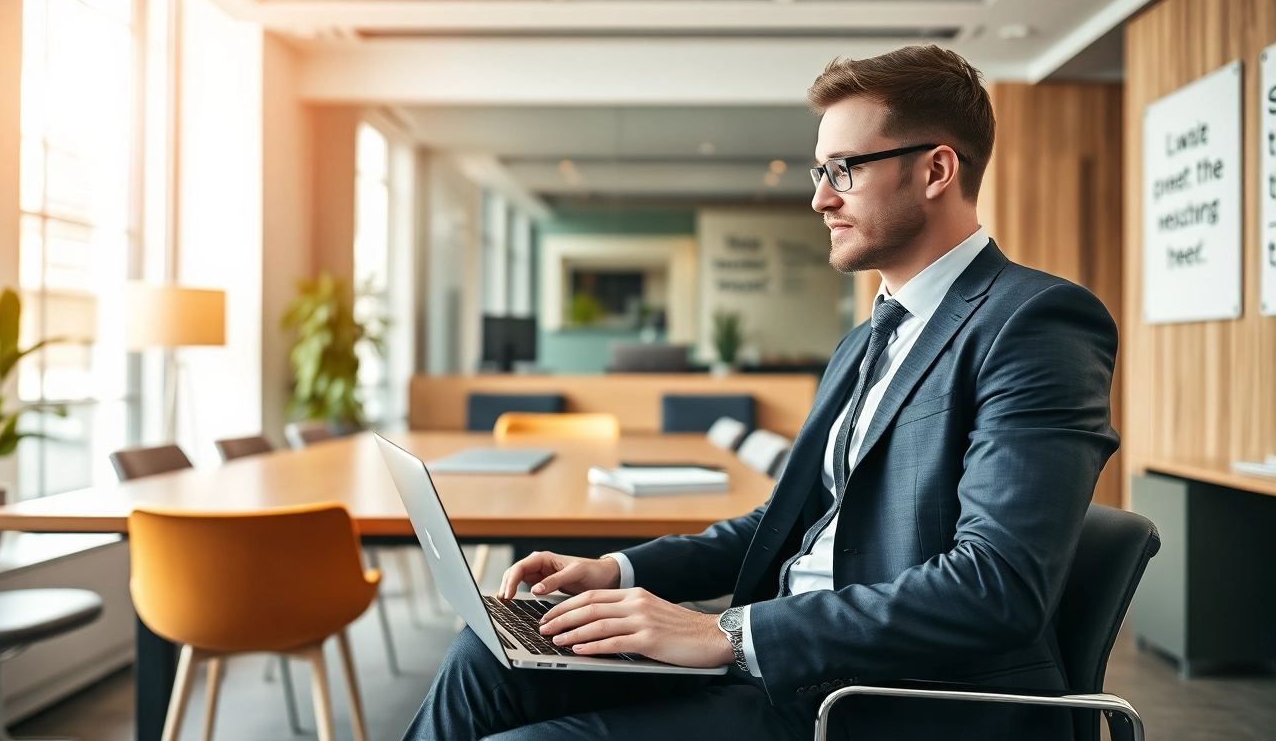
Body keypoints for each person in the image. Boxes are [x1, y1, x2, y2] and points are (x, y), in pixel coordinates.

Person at [403, 44, 1119, 741]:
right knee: (483, 656)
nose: (820, 197)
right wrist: (616, 569)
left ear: (936, 170)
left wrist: (728, 632)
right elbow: (783, 523)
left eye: (843, 169)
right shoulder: (867, 339)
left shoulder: (1034, 323)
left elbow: (996, 586)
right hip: (784, 663)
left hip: (889, 696)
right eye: (819, 170)